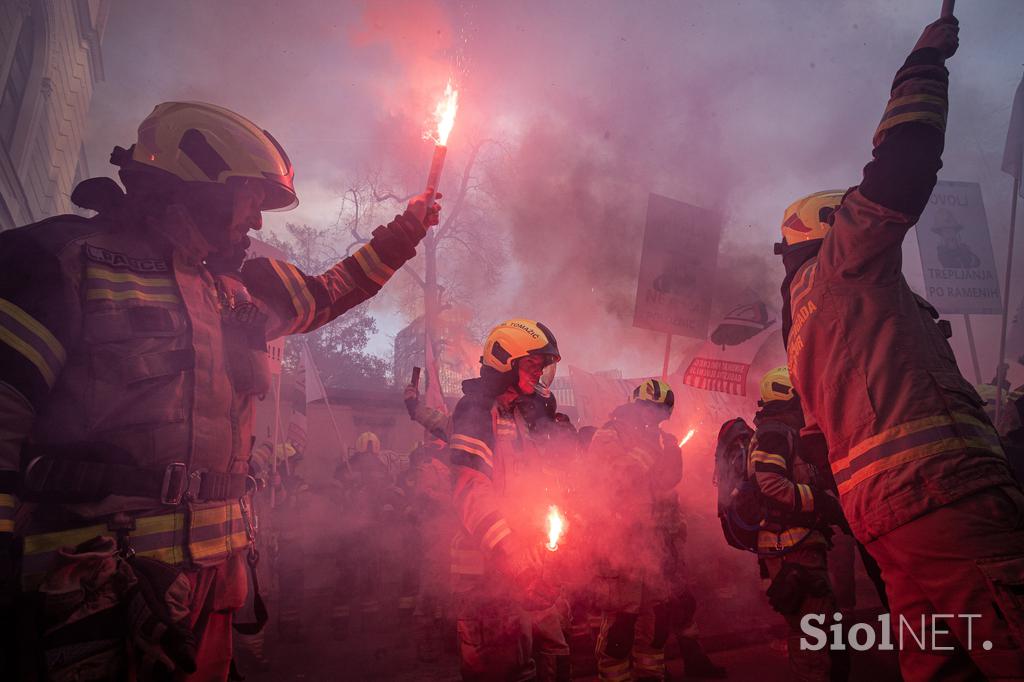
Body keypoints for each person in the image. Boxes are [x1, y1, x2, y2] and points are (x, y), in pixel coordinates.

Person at [0, 101, 439, 680]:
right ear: (201, 182)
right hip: (97, 602)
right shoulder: (63, 263)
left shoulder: (234, 295)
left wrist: (407, 228)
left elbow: (334, 289)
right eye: (250, 198)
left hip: (213, 597)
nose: (257, 221)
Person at [777, 16, 1024, 680]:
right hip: (946, 499)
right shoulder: (842, 268)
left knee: (942, 667)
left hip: (890, 520)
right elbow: (904, 167)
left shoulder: (803, 321)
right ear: (831, 228)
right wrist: (923, 65)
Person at [448, 319, 569, 681]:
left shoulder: (516, 414)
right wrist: (513, 555)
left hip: (523, 567)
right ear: (505, 362)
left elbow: (533, 487)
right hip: (487, 573)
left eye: (542, 367)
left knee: (548, 656)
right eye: (532, 366)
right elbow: (471, 491)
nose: (539, 375)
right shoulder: (474, 411)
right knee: (502, 667)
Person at [748, 368, 846, 682]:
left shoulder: (784, 431)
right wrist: (822, 503)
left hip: (796, 546)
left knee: (815, 628)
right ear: (788, 394)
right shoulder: (775, 432)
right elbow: (771, 484)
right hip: (791, 548)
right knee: (810, 634)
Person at [588, 379, 683, 681]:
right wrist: (646, 452)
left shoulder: (660, 441)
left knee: (654, 628)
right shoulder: (607, 437)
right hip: (622, 549)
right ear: (635, 407)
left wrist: (672, 457)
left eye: (660, 413)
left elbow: (665, 490)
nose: (654, 418)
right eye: (649, 410)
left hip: (655, 547)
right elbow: (616, 481)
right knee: (619, 631)